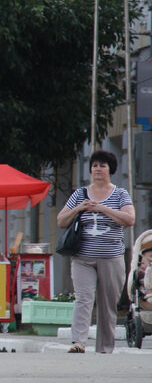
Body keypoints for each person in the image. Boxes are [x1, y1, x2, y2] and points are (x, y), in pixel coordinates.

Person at [57, 150, 135, 354]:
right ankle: (78, 342)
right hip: (82, 257)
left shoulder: (120, 194)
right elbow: (61, 221)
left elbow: (129, 219)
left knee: (108, 303)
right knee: (83, 298)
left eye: (102, 165)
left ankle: (105, 347)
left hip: (111, 257)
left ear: (110, 170)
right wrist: (78, 209)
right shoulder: (80, 194)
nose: (98, 169)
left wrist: (102, 209)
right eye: (94, 166)